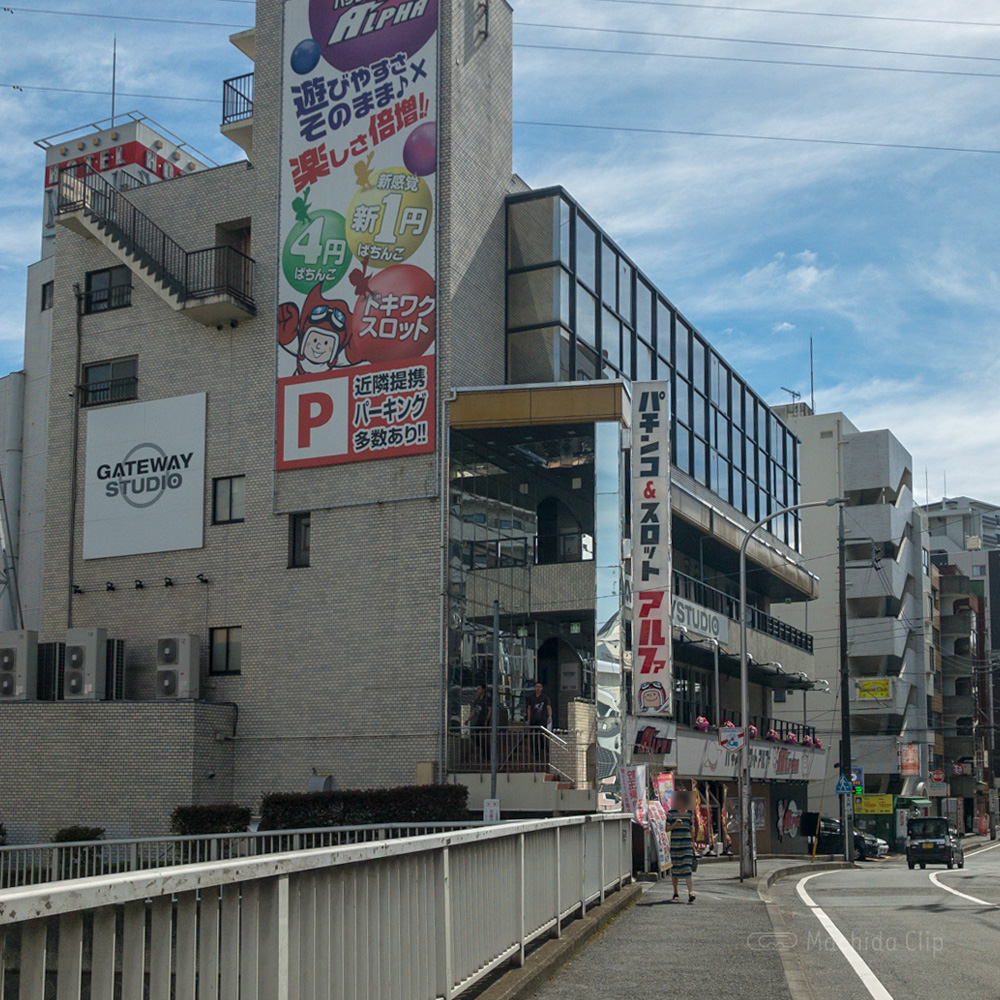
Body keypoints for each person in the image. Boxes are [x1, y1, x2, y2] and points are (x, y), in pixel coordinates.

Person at [667, 789, 697, 903]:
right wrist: (674, 825)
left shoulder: (689, 813)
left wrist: (693, 843)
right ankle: (675, 891)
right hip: (675, 844)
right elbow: (666, 828)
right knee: (675, 869)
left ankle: (691, 892)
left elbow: (691, 828)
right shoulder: (671, 813)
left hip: (687, 843)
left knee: (687, 867)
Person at [525, 681, 553, 763]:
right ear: (534, 688)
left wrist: (549, 716)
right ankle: (535, 756)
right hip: (533, 720)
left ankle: (544, 753)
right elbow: (529, 708)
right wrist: (528, 719)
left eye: (539, 687)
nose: (538, 688)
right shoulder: (531, 698)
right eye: (536, 687)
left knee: (542, 737)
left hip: (542, 720)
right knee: (533, 739)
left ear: (542, 688)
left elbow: (548, 707)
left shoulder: (545, 698)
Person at [469, 684, 492, 763]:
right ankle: (480, 746)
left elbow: (490, 710)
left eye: (479, 689)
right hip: (478, 720)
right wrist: (469, 719)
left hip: (484, 721)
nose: (478, 690)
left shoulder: (487, 699)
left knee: (484, 737)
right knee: (474, 733)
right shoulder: (477, 700)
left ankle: (486, 755)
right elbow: (474, 710)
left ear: (483, 690)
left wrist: (487, 720)